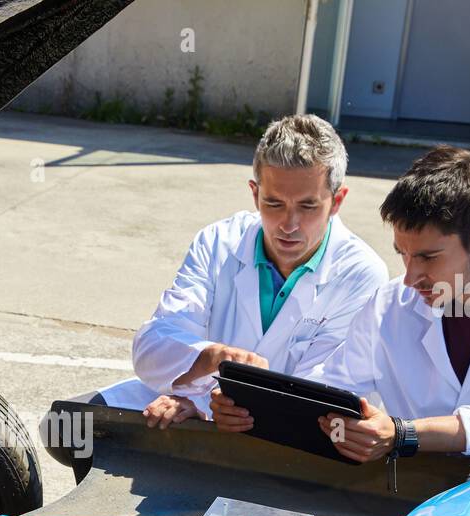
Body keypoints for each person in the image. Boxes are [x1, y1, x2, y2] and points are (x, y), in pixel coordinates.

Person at [212, 145, 470, 468]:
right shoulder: (390, 305)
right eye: (403, 254)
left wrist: (403, 434)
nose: (411, 277)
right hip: (442, 493)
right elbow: (332, 388)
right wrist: (251, 407)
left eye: (429, 258)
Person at [94, 114, 387, 428]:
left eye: (307, 206)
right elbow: (154, 344)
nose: (289, 225)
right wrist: (212, 360)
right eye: (273, 203)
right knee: (64, 425)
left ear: (337, 200)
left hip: (293, 436)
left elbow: (324, 395)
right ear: (254, 193)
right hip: (199, 399)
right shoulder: (218, 241)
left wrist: (216, 404)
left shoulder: (361, 273)